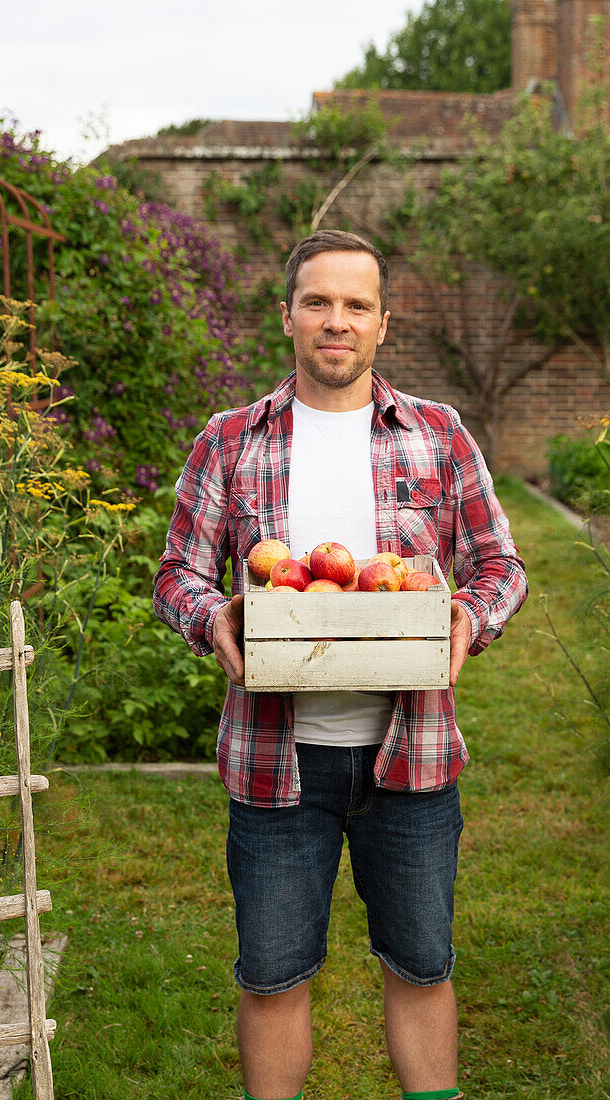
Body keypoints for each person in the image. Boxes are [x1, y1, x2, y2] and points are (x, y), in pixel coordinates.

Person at [153, 229, 528, 1100]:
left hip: (414, 759)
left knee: (423, 965)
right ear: (287, 316)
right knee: (273, 976)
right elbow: (177, 575)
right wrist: (216, 622)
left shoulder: (437, 434)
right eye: (318, 301)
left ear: (383, 324)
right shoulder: (232, 439)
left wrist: (468, 623)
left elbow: (500, 565)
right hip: (275, 764)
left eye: (356, 305)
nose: (336, 321)